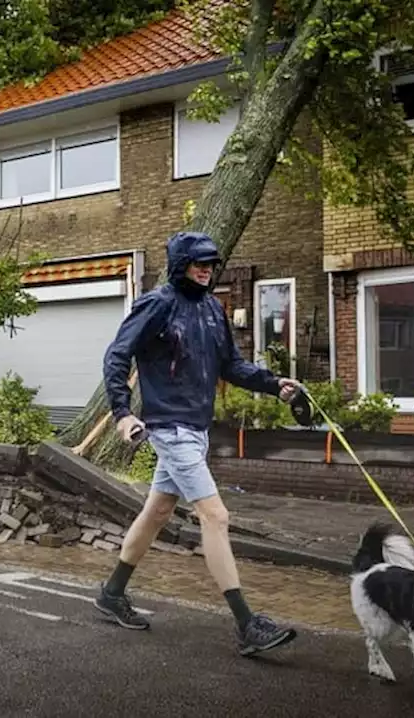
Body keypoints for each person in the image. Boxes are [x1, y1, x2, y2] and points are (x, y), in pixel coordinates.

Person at [95, 230, 302, 657]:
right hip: (169, 427)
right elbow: (117, 356)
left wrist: (272, 384)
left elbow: (231, 365)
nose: (207, 269)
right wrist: (122, 413)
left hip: (196, 429)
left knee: (157, 512)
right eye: (198, 263)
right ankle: (247, 624)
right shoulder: (157, 304)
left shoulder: (212, 309)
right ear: (180, 264)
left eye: (211, 263)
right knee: (215, 515)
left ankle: (112, 593)